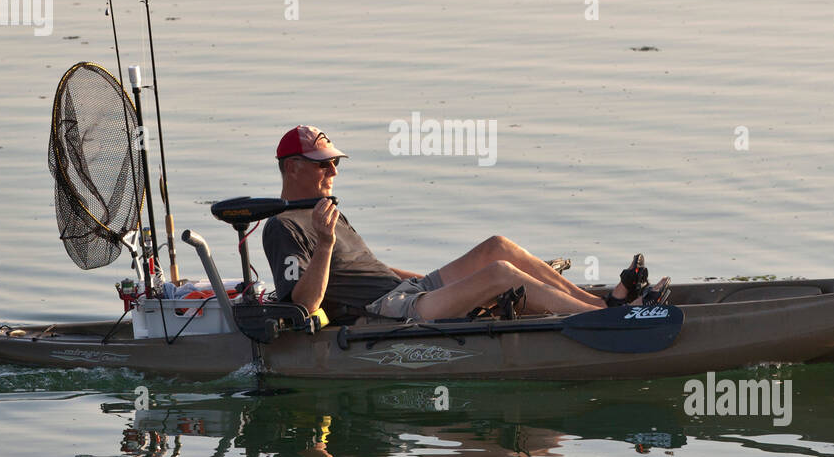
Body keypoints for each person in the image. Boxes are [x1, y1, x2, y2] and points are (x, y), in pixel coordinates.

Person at [260, 125, 658, 324]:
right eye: (323, 164)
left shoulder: (324, 212)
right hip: (387, 311)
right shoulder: (283, 227)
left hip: (405, 290)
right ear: (293, 167)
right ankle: (608, 323)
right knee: (500, 274)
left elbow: (368, 268)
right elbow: (302, 306)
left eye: (334, 162)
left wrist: (436, 282)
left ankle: (604, 305)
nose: (333, 170)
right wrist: (325, 244)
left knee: (497, 247)